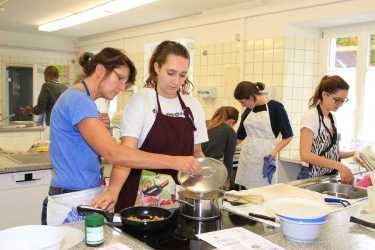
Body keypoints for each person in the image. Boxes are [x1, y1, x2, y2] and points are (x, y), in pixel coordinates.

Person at [43, 47, 201, 225]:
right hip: (72, 199)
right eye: (119, 78)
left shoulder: (81, 101)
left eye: (125, 82)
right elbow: (114, 154)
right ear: (101, 70)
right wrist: (175, 162)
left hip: (81, 194)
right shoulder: (78, 100)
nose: (121, 87)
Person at [92, 41, 208, 211]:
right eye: (170, 73)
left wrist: (204, 177)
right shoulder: (142, 100)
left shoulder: (192, 105)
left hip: (179, 196)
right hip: (141, 196)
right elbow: (126, 153)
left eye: (182, 75)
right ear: (156, 67)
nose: (176, 81)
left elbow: (196, 152)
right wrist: (113, 191)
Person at [298, 75, 367, 184]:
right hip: (310, 176)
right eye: (337, 100)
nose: (340, 104)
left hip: (326, 176)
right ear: (325, 95)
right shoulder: (311, 116)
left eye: (343, 100)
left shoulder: (332, 119)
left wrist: (355, 153)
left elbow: (332, 152)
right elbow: (305, 155)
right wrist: (339, 166)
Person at [234, 81, 293, 188]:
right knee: (247, 193)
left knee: (265, 191)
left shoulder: (276, 108)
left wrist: (274, 152)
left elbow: (288, 136)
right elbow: (239, 137)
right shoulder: (247, 111)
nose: (242, 105)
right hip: (247, 159)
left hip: (266, 157)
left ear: (251, 97)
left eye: (243, 102)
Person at [202, 106, 239, 190]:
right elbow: (228, 160)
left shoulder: (205, 124)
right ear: (232, 121)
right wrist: (227, 180)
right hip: (213, 170)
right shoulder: (229, 131)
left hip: (195, 166)